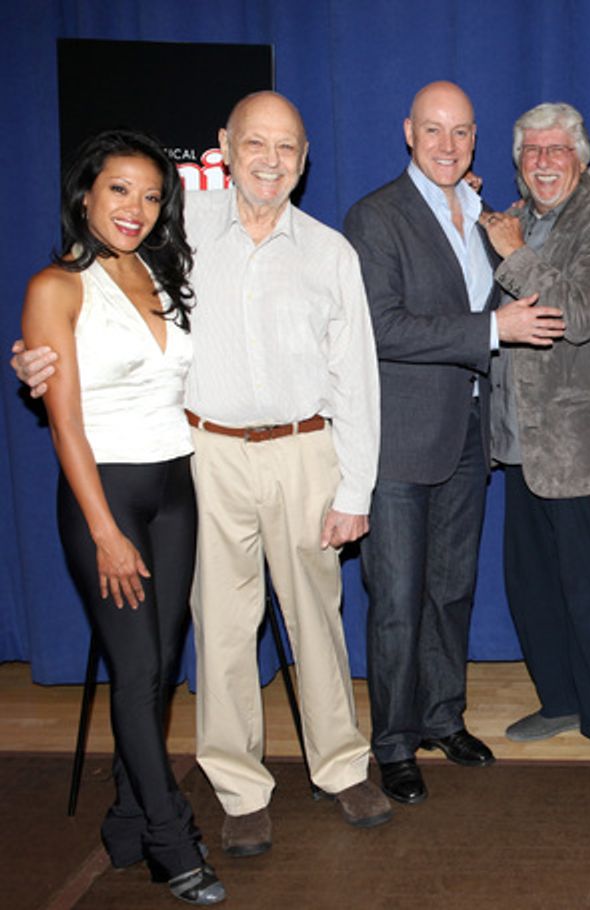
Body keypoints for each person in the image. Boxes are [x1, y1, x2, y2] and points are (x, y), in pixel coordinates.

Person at [15, 91, 392, 856]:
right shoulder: (174, 231)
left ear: (305, 158)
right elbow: (94, 294)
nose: (270, 161)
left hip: (305, 450)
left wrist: (356, 490)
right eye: (255, 143)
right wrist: (38, 359)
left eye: (287, 148)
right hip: (204, 454)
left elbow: (356, 377)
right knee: (220, 625)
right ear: (225, 144)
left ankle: (342, 767)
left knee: (316, 619)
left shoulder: (331, 253)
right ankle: (238, 787)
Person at [343, 81, 563, 805]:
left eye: (461, 132)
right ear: (409, 132)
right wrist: (494, 330)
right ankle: (393, 742)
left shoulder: (479, 214)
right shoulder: (375, 216)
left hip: (469, 430)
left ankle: (443, 717)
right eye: (434, 130)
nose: (448, 144)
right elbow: (383, 327)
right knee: (396, 599)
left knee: (451, 590)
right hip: (401, 439)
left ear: (475, 139)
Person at [20, 130, 224, 905]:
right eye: (119, 190)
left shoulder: (161, 271)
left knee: (159, 669)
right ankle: (172, 840)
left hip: (176, 489)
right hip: (106, 496)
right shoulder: (56, 287)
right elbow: (66, 425)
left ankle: (127, 818)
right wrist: (105, 532)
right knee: (136, 673)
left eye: (150, 195)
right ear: (85, 195)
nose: (135, 207)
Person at [479, 102, 590, 778]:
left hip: (588, 450)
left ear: (580, 158)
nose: (544, 162)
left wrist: (515, 255)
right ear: (517, 163)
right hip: (522, 445)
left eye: (557, 150)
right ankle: (563, 701)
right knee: (534, 587)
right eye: (531, 151)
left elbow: (577, 314)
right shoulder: (517, 222)